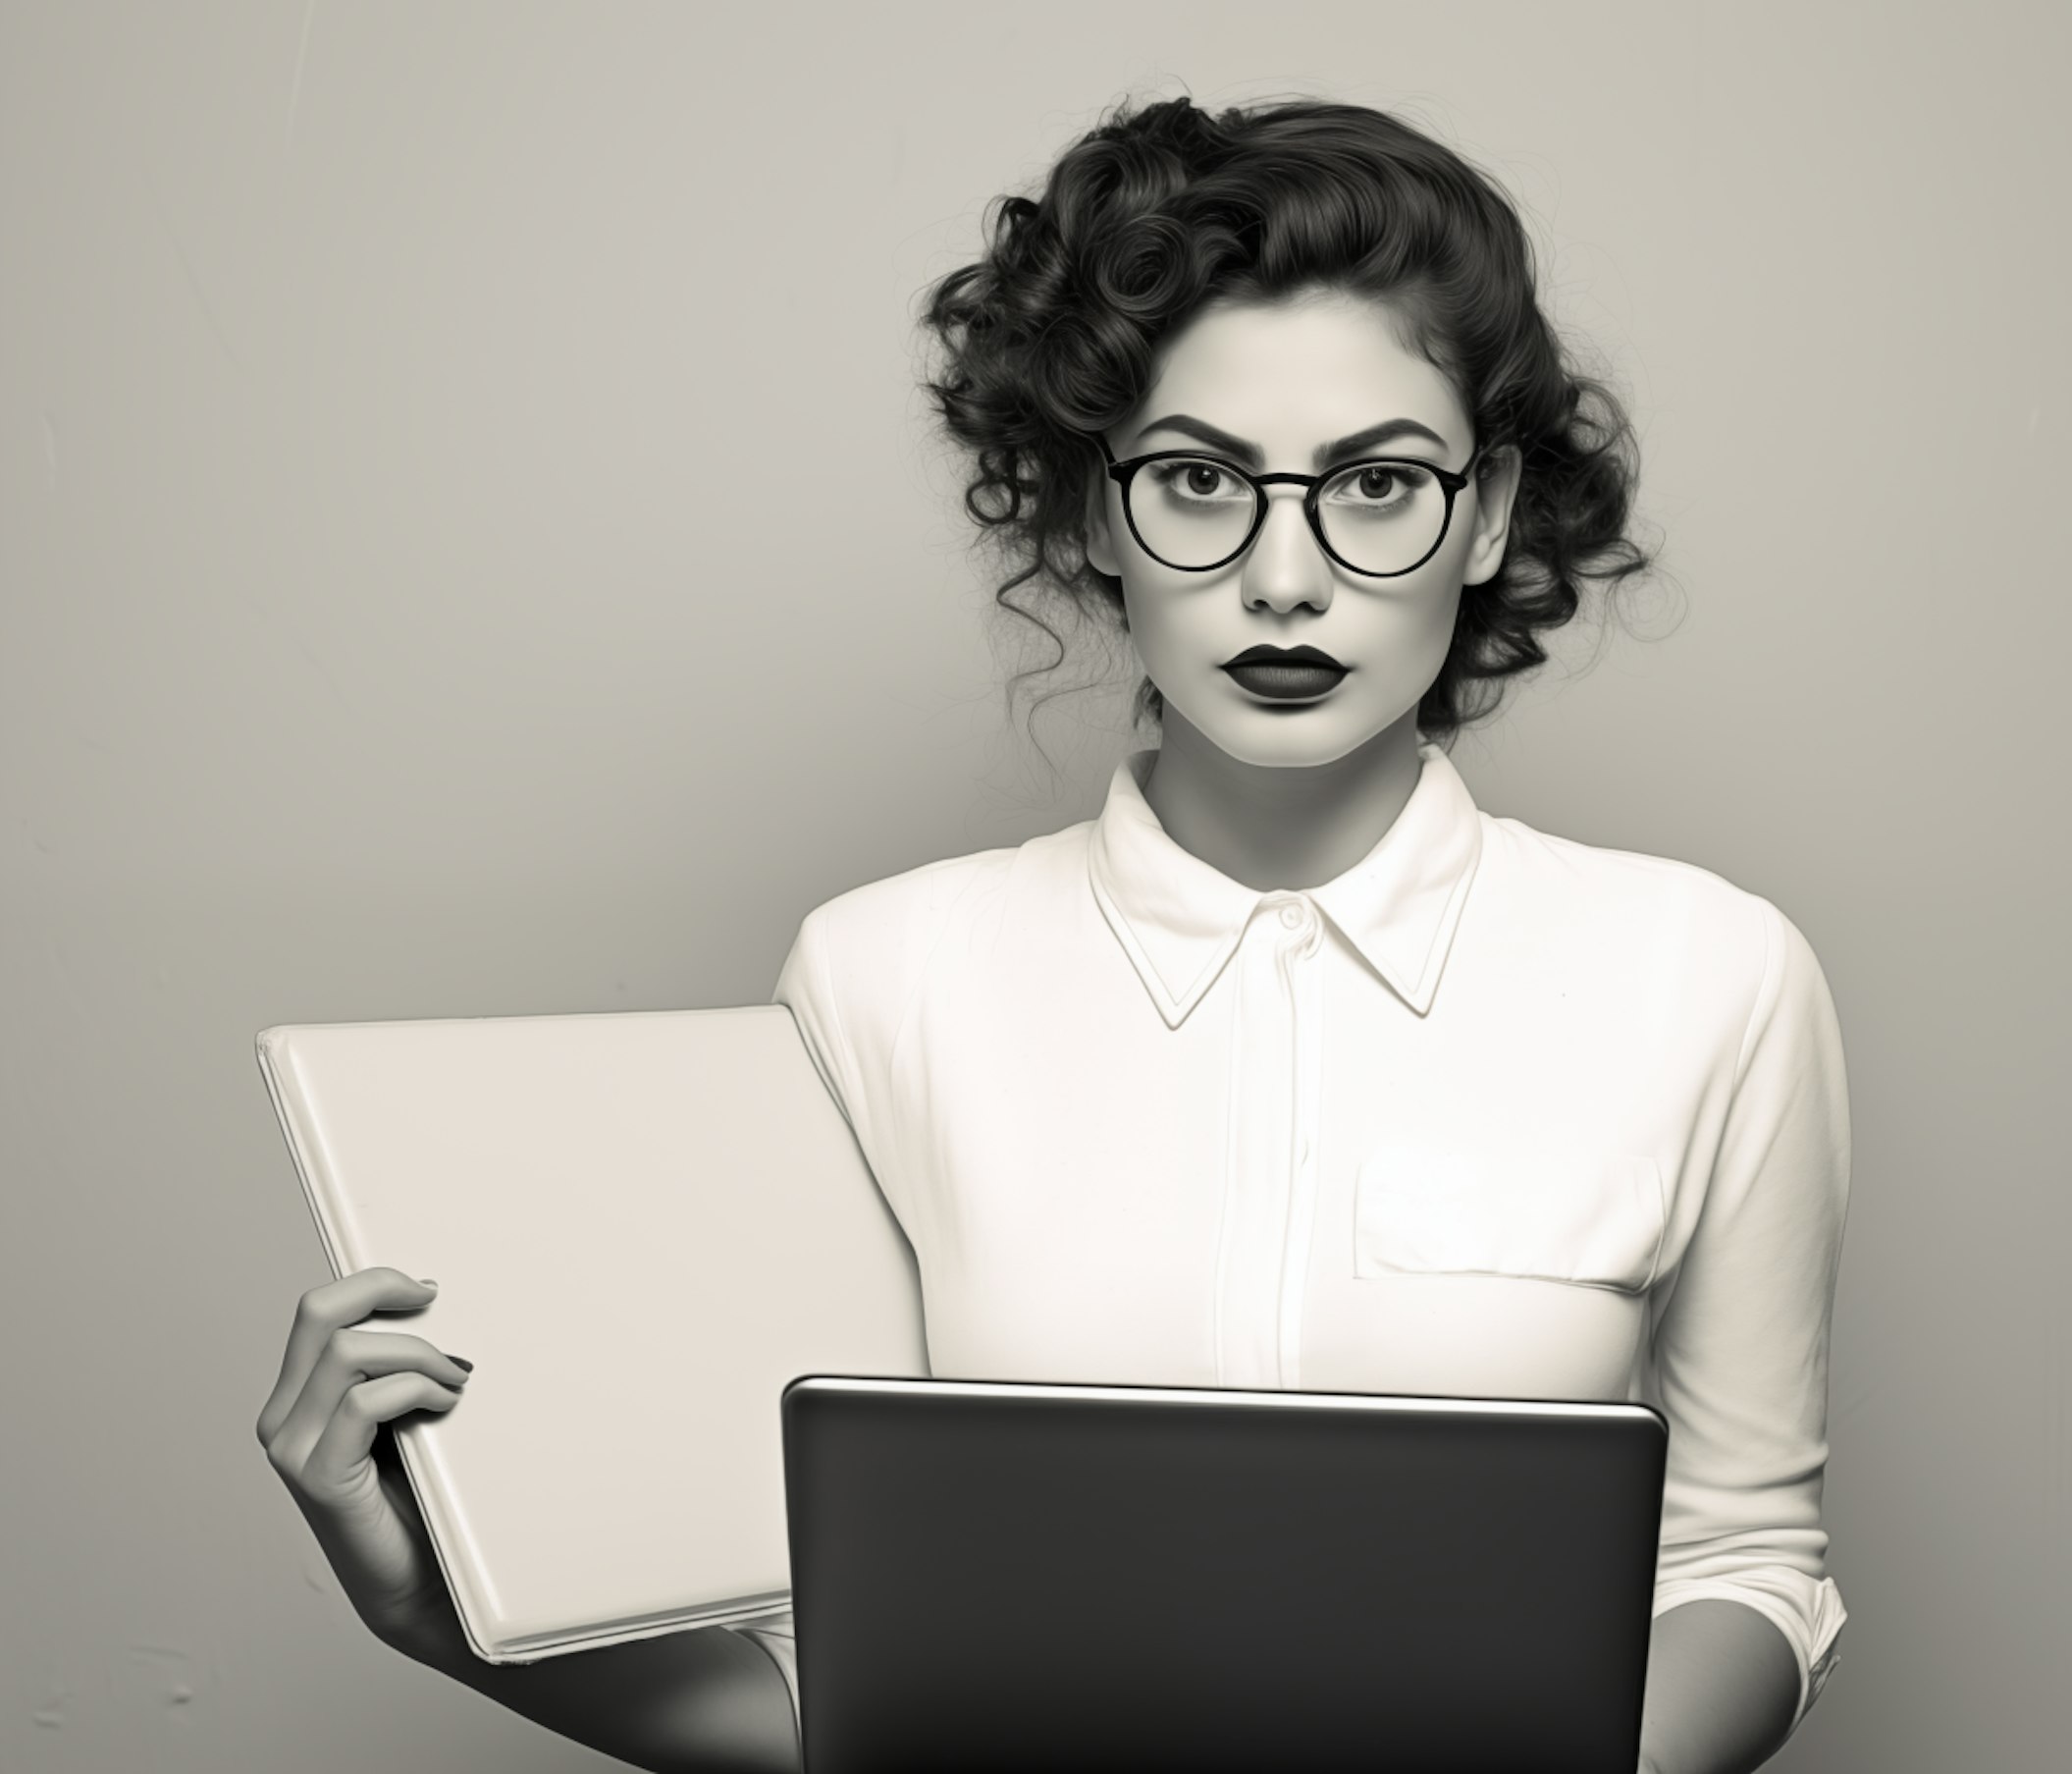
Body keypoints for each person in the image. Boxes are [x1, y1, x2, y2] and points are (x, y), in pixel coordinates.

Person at [255, 94, 1851, 1774]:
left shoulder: (1709, 975)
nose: (1285, 577)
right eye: (1195, 482)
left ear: (1487, 510)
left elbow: (1750, 1560)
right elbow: (836, 1681)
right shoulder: (880, 980)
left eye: (1376, 483)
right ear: (1094, 511)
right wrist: (429, 1604)